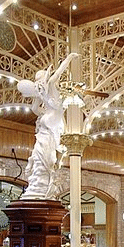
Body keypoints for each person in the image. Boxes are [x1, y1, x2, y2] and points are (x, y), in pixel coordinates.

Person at [18, 52, 79, 200]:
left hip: (46, 123)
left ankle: (38, 184)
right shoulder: (52, 86)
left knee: (41, 154)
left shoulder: (42, 93)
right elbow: (57, 74)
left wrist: (43, 111)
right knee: (47, 156)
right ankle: (41, 185)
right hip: (51, 123)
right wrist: (69, 58)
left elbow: (34, 109)